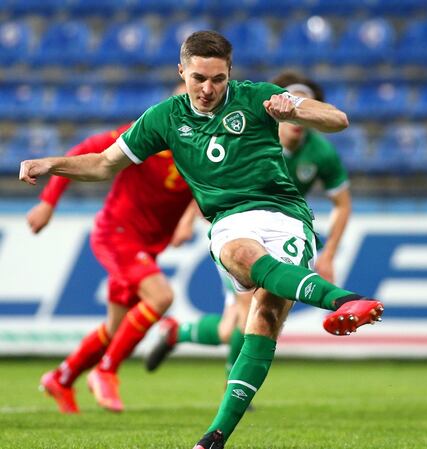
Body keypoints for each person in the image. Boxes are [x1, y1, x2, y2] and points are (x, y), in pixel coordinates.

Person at [19, 31, 383, 448]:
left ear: (230, 74)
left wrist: (294, 108)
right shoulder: (165, 118)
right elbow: (104, 163)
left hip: (285, 215)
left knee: (263, 316)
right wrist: (52, 163)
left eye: (217, 79)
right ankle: (343, 300)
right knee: (239, 255)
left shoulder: (259, 97)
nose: (207, 89)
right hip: (229, 219)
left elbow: (338, 119)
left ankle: (214, 437)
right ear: (181, 72)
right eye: (198, 79)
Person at [145, 71, 353, 377]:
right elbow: (211, 178)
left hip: (280, 230)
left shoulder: (320, 153)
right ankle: (236, 383)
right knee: (251, 313)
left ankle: (177, 332)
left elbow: (343, 204)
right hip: (236, 230)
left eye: (308, 106)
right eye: (294, 103)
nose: (298, 113)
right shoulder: (252, 131)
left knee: (232, 328)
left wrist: (330, 253)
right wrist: (188, 220)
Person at [27, 85, 195, 414]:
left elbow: (204, 190)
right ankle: (105, 372)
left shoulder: (200, 149)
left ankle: (61, 378)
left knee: (116, 329)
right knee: (161, 297)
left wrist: (187, 221)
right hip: (117, 234)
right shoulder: (144, 134)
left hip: (146, 245)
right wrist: (48, 203)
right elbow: (83, 153)